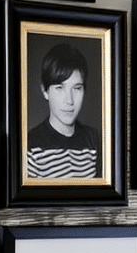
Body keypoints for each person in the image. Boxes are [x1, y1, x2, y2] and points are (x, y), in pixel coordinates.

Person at [26, 43, 100, 181]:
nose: (69, 101)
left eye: (77, 88)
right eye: (60, 88)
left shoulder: (94, 140)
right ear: (45, 90)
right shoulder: (30, 145)